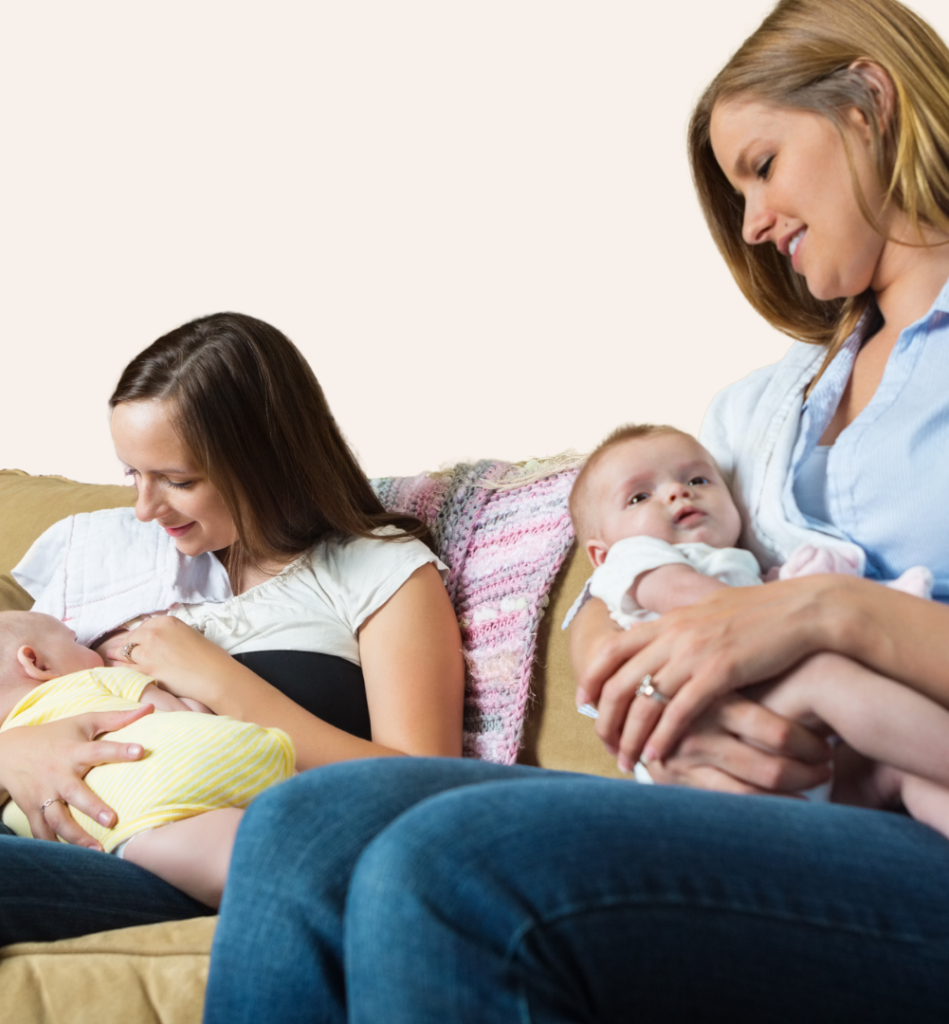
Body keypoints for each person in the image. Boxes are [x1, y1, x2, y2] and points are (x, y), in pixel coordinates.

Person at [193, 1, 949, 1020]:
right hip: (771, 811)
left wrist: (821, 615)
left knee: (456, 865)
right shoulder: (762, 405)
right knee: (306, 827)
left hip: (919, 826)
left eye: (762, 166)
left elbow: (770, 611)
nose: (754, 225)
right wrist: (629, 663)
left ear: (868, 99)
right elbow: (623, 570)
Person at [0, 313, 464, 1021]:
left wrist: (223, 683)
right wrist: (15, 754)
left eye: (174, 479)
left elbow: (423, 790)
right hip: (41, 825)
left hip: (179, 851)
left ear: (264, 459)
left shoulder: (377, 571)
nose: (144, 508)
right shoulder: (126, 564)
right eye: (133, 476)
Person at [567, 421, 949, 836]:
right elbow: (711, 605)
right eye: (640, 496)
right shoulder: (634, 559)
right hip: (710, 753)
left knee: (898, 771)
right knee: (825, 678)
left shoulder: (747, 566)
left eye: (697, 479)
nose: (678, 491)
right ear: (600, 555)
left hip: (801, 765)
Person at [0, 610, 295, 908]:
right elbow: (178, 711)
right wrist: (192, 702)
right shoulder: (93, 681)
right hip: (200, 763)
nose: (94, 653)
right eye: (75, 642)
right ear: (36, 661)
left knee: (205, 852)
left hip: (118, 832)